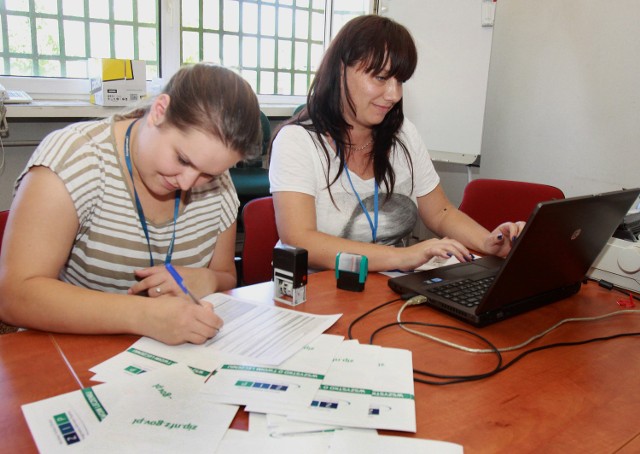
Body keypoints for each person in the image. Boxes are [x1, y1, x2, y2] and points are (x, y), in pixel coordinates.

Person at [0, 63, 262, 345]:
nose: (187, 183)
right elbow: (14, 295)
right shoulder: (75, 159)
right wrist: (144, 316)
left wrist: (208, 280)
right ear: (159, 111)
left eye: (208, 173)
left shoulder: (217, 185)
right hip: (69, 350)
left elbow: (226, 277)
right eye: (183, 160)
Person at [269, 15, 525, 272]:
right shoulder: (296, 142)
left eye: (400, 81)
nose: (394, 95)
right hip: (320, 293)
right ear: (340, 69)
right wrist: (401, 257)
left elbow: (441, 212)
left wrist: (488, 242)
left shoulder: (404, 135)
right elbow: (301, 239)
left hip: (386, 291)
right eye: (380, 77)